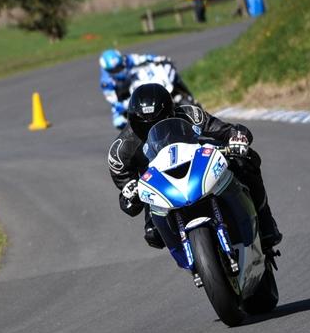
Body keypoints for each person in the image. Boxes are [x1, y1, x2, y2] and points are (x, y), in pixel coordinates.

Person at [107, 83, 282, 252]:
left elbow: (224, 130)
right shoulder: (121, 151)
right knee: (153, 234)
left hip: (199, 167)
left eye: (160, 120)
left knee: (246, 161)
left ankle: (266, 224)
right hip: (161, 187)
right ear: (132, 121)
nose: (153, 128)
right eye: (145, 124)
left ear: (171, 112)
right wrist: (130, 194)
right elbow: (128, 200)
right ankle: (192, 259)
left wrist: (237, 138)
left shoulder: (190, 115)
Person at [99, 49, 176, 130]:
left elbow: (144, 58)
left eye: (120, 66)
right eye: (115, 70)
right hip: (124, 99)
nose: (119, 70)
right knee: (118, 122)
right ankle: (136, 134)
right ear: (108, 70)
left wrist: (158, 58)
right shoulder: (106, 83)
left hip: (134, 84)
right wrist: (127, 103)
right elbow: (115, 104)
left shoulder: (127, 59)